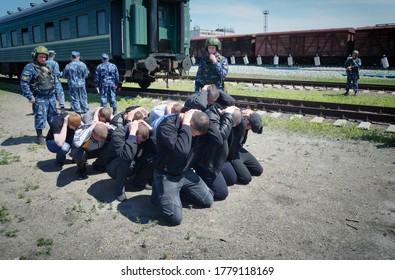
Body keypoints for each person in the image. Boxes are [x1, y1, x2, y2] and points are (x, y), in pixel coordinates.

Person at [151, 109, 213, 226]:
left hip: (184, 172)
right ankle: (159, 195)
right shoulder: (167, 126)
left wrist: (203, 114)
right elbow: (182, 150)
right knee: (174, 219)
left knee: (208, 200)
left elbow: (218, 139)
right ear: (189, 124)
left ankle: (174, 197)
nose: (194, 136)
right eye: (193, 133)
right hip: (167, 175)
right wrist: (186, 126)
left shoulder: (195, 124)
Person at [193, 104, 241, 200]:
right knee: (221, 194)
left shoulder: (222, 115)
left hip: (218, 158)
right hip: (207, 162)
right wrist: (228, 116)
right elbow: (220, 138)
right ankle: (195, 182)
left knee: (232, 180)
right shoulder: (211, 118)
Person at [105, 119, 155, 202]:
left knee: (152, 157)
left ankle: (139, 181)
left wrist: (152, 130)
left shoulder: (142, 134)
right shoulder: (119, 134)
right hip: (114, 166)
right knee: (126, 161)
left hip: (133, 160)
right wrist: (132, 136)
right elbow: (126, 156)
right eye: (138, 141)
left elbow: (156, 145)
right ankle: (119, 190)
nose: (139, 143)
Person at [20, 45, 58, 144]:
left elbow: (53, 81)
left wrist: (57, 95)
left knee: (53, 117)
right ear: (36, 56)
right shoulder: (30, 67)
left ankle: (54, 134)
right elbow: (24, 83)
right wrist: (29, 96)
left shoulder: (47, 67)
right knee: (40, 117)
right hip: (40, 97)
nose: (43, 59)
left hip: (50, 97)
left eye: (45, 57)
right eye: (41, 57)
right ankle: (40, 136)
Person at [227, 109, 263, 185]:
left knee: (258, 170)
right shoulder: (237, 123)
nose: (249, 130)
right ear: (247, 123)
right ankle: (232, 169)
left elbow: (258, 128)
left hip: (239, 150)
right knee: (246, 178)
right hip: (231, 153)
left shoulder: (247, 118)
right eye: (250, 128)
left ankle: (240, 167)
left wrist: (252, 114)